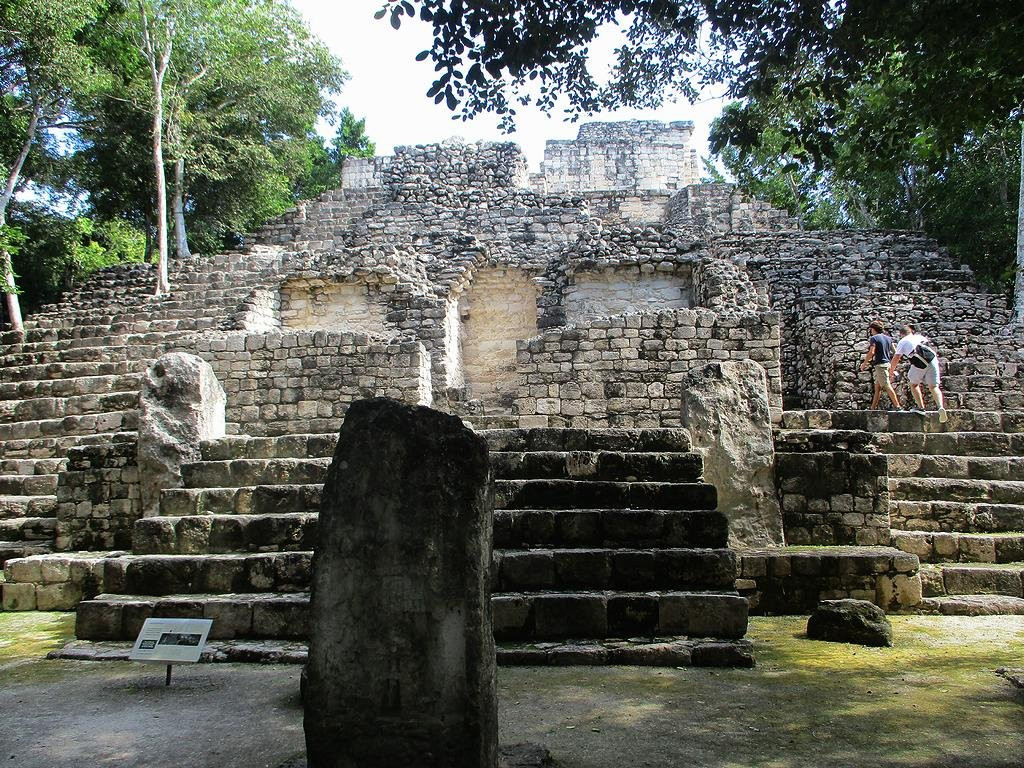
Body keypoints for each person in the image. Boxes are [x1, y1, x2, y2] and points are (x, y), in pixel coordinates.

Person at [891, 323, 948, 423]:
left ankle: (921, 407)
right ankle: (940, 407)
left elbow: (896, 357)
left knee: (914, 384)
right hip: (932, 359)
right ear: (911, 332)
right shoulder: (920, 337)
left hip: (919, 364)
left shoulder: (902, 341)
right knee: (934, 386)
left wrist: (891, 371)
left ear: (901, 334)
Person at [859, 320, 901, 410]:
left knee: (886, 385)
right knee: (877, 387)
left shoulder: (874, 338)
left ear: (873, 329)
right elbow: (896, 352)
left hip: (880, 365)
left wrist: (864, 363)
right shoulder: (888, 339)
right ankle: (873, 408)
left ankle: (898, 406)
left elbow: (872, 352)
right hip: (887, 364)